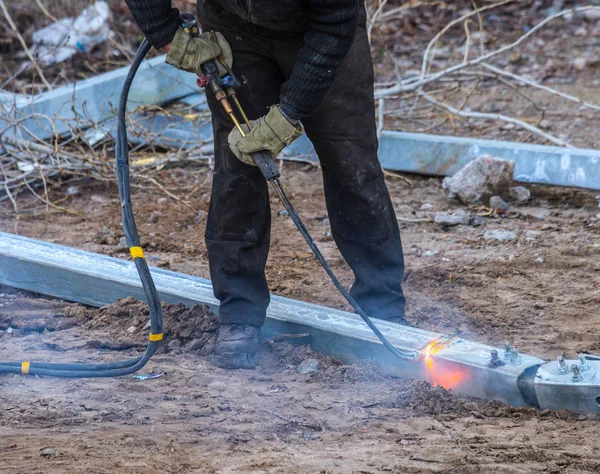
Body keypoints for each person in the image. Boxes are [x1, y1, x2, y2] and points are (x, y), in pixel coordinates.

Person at [125, 0, 406, 370]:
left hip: (323, 31)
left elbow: (336, 21)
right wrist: (167, 34)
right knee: (237, 163)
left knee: (352, 162)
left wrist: (287, 114)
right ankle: (239, 312)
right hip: (233, 27)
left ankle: (382, 309)